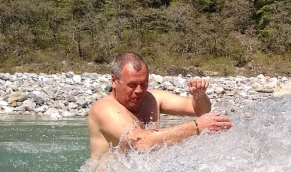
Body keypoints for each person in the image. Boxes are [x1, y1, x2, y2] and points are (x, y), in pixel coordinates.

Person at [87, 52, 232, 159]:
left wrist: (199, 95)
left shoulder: (153, 98)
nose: (139, 91)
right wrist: (196, 127)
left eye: (144, 84)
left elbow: (201, 110)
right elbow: (140, 142)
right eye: (132, 85)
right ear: (114, 81)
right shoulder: (104, 109)